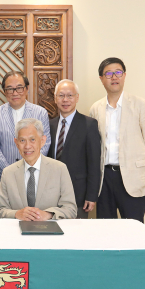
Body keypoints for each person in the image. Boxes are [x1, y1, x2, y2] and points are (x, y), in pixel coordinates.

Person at [89, 57, 145, 223]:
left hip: (131, 177)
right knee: (106, 229)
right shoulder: (95, 108)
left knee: (135, 229)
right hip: (104, 179)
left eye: (118, 72)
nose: (114, 77)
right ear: (101, 79)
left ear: (124, 75)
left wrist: (132, 160)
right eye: (109, 73)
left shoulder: (140, 105)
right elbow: (94, 145)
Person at [0, 71, 51, 217]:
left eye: (19, 87)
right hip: (3, 180)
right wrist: (10, 171)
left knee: (35, 224)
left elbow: (44, 144)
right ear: (4, 91)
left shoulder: (40, 112)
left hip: (34, 179)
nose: (15, 92)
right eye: (10, 88)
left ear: (26, 89)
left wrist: (29, 167)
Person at [0, 118, 76, 220]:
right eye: (22, 140)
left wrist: (48, 214)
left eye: (32, 140)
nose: (27, 146)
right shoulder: (8, 173)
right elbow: (0, 210)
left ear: (42, 141)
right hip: (18, 232)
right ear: (16, 143)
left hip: (50, 232)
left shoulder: (60, 169)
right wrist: (17, 214)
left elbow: (71, 209)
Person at [49, 80, 101, 219]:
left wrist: (91, 195)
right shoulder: (50, 125)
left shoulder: (89, 125)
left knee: (77, 236)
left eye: (70, 95)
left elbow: (94, 163)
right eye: (61, 95)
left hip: (78, 195)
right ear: (55, 98)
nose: (65, 100)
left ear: (77, 98)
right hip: (51, 194)